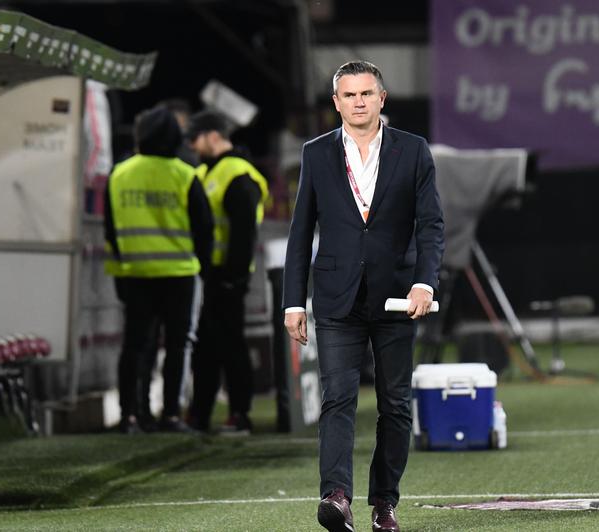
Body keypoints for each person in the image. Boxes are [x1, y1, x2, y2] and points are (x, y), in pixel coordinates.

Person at [282, 61, 444, 532]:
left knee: (395, 405)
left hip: (397, 296)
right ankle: (336, 496)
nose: (358, 102)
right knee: (337, 399)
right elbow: (300, 231)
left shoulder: (413, 150)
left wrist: (425, 282)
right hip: (337, 297)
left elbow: (431, 224)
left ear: (381, 98)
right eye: (349, 95)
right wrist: (294, 301)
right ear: (336, 103)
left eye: (366, 93)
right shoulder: (316, 153)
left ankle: (384, 503)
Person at [104, 106, 214, 434]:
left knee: (135, 345)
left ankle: (130, 415)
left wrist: (122, 266)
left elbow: (110, 227)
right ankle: (170, 414)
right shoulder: (185, 175)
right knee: (178, 346)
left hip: (134, 273)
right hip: (179, 274)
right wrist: (203, 268)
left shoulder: (120, 174)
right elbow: (204, 229)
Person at [185, 110, 269, 434]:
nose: (192, 146)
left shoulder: (237, 174)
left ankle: (239, 414)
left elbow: (243, 232)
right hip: (209, 275)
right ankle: (200, 414)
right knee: (206, 347)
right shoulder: (207, 172)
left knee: (230, 345)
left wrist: (234, 277)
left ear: (213, 136)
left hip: (228, 276)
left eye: (195, 138)